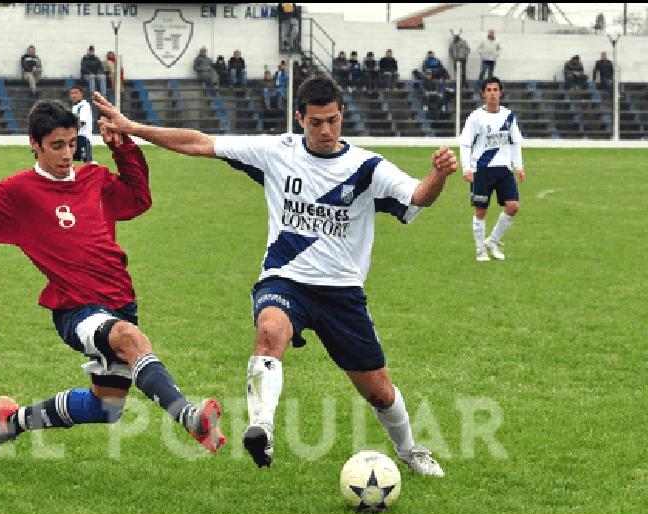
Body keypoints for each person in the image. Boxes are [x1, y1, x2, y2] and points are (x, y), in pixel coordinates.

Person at [92, 77, 456, 476]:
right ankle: (261, 427)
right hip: (285, 281)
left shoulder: (367, 168)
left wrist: (438, 175)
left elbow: (418, 195)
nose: (325, 131)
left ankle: (408, 449)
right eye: (316, 122)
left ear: (342, 116)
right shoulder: (276, 152)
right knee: (269, 329)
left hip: (342, 294)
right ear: (299, 118)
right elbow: (199, 142)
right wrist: (132, 128)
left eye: (332, 121)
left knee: (379, 391)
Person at [0, 99, 226, 461]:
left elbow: (139, 198)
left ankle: (10, 422)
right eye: (57, 146)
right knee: (131, 339)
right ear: (34, 144)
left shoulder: (94, 179)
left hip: (120, 301)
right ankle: (191, 418)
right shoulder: (19, 192)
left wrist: (121, 146)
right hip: (75, 307)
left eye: (72, 143)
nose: (67, 154)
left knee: (105, 408)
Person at [459, 77, 525, 262]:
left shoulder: (508, 116)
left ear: (500, 93)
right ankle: (480, 250)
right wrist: (467, 167)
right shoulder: (475, 117)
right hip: (482, 169)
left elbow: (515, 143)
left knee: (513, 206)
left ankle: (493, 241)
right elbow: (465, 144)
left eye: (495, 90)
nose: (492, 93)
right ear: (483, 93)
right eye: (488, 90)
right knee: (481, 211)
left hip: (504, 169)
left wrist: (519, 166)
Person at [69, 85, 93, 162]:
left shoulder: (84, 106)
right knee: (69, 159)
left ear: (81, 94)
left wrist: (70, 129)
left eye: (76, 93)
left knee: (86, 161)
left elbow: (82, 122)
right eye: (72, 93)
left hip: (83, 137)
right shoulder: (75, 107)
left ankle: (94, 172)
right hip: (75, 137)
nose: (73, 95)